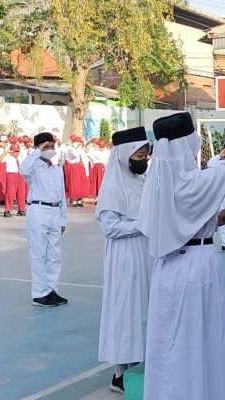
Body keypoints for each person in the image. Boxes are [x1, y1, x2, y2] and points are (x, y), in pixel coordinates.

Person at [138, 86, 225, 400]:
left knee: (170, 342)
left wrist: (214, 218)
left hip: (166, 271)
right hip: (197, 267)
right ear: (188, 144)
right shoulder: (198, 182)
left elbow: (175, 222)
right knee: (201, 339)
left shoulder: (155, 187)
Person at [95, 127, 152, 394]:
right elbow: (110, 228)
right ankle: (119, 372)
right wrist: (142, 224)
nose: (143, 159)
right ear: (124, 155)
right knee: (124, 308)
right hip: (124, 254)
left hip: (145, 251)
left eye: (145, 155)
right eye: (138, 155)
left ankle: (140, 362)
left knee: (143, 307)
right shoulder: (114, 185)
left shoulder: (142, 181)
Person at [20, 132, 69, 307]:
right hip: (38, 209)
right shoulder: (33, 170)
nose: (50, 149)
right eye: (46, 146)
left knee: (55, 255)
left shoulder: (56, 169)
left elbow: (62, 195)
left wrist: (63, 220)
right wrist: (37, 151)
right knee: (39, 254)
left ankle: (51, 290)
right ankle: (39, 294)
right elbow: (23, 169)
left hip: (55, 211)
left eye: (51, 146)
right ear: (38, 148)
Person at [2, 143, 27, 217]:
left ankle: (21, 209)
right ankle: (7, 210)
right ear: (11, 151)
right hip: (11, 175)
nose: (17, 153)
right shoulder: (8, 158)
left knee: (21, 193)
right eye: (15, 151)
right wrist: (6, 153)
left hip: (20, 175)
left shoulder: (20, 158)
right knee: (11, 192)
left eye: (17, 151)